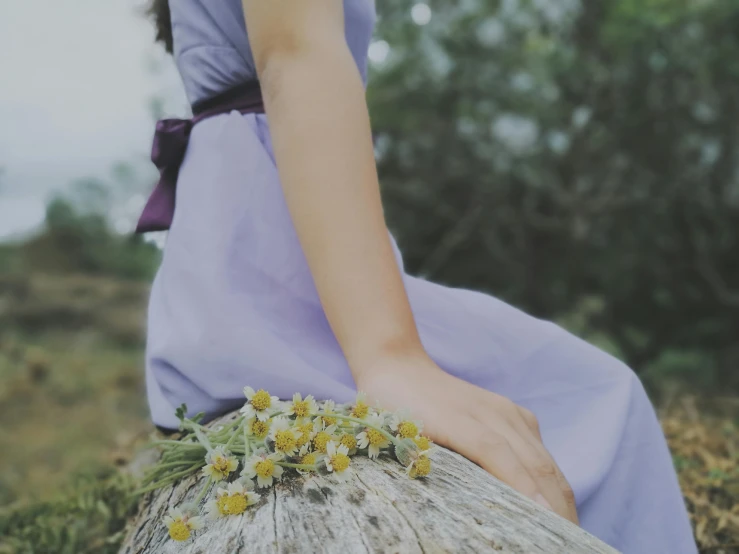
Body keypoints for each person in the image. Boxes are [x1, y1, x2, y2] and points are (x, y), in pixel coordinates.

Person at [141, 1, 697, 551]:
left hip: (246, 252)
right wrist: (391, 356)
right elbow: (295, 54)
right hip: (271, 270)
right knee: (604, 396)